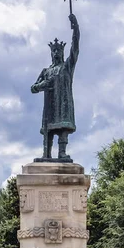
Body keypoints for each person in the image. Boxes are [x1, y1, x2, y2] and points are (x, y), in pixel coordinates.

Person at [31, 13, 80, 161]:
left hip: (63, 106)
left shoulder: (67, 67)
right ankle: (46, 154)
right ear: (51, 53)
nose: (56, 52)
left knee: (62, 128)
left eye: (59, 50)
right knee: (49, 130)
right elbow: (34, 87)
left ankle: (62, 153)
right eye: (54, 51)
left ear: (62, 52)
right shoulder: (45, 71)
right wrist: (40, 86)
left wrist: (75, 28)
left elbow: (75, 48)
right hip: (50, 107)